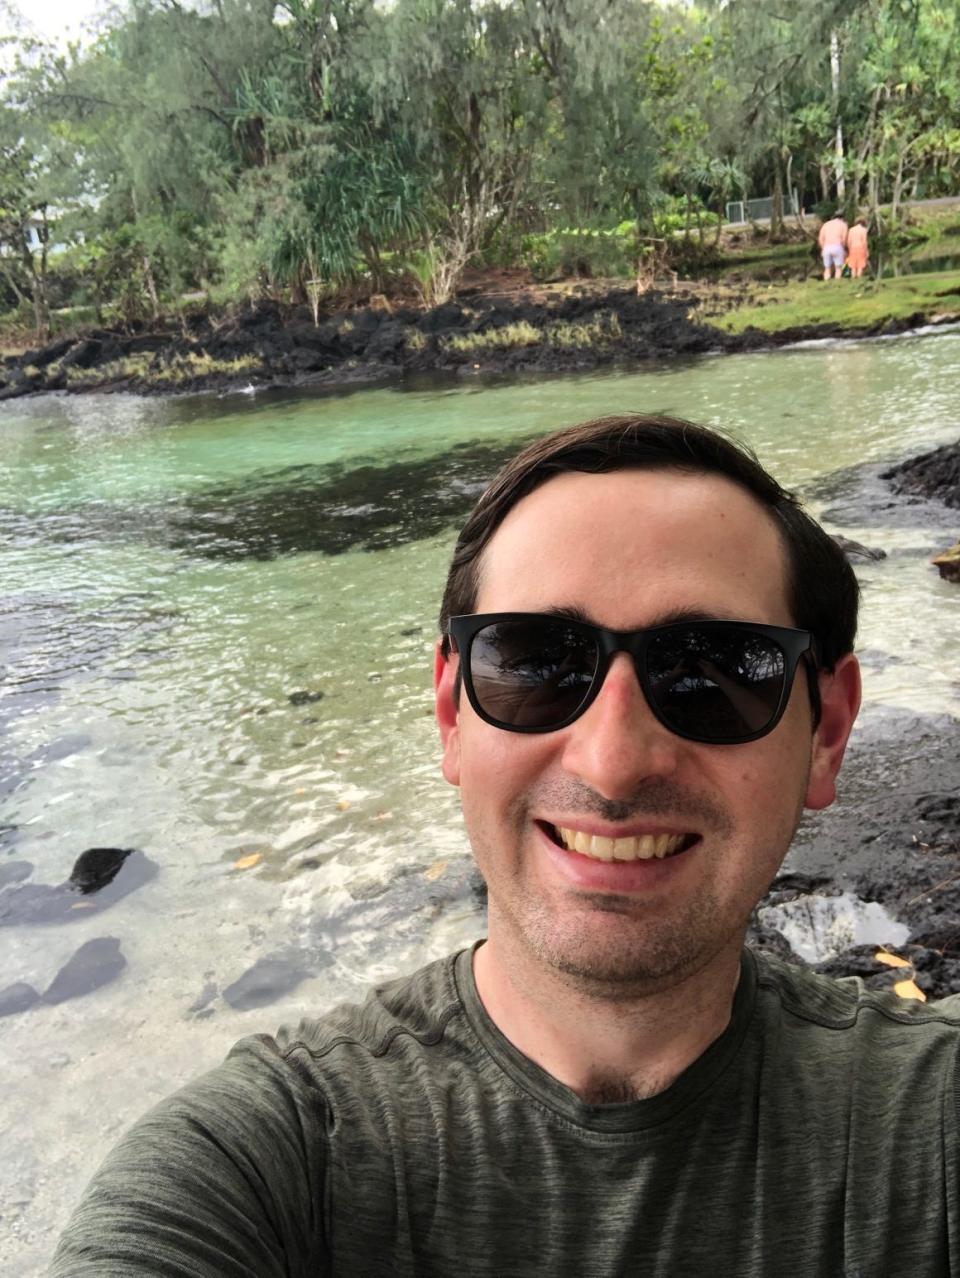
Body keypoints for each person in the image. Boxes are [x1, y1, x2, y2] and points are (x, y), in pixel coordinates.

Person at [51, 415, 960, 1276]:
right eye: (533, 663)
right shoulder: (275, 1155)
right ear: (452, 714)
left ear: (828, 730)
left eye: (710, 671)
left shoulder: (926, 1124)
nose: (611, 765)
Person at [818, 210, 849, 280]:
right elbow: (844, 239)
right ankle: (837, 283)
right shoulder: (843, 225)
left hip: (826, 247)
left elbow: (820, 238)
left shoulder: (826, 224)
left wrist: (823, 248)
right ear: (843, 217)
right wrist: (844, 249)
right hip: (838, 247)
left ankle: (826, 282)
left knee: (827, 268)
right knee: (838, 268)